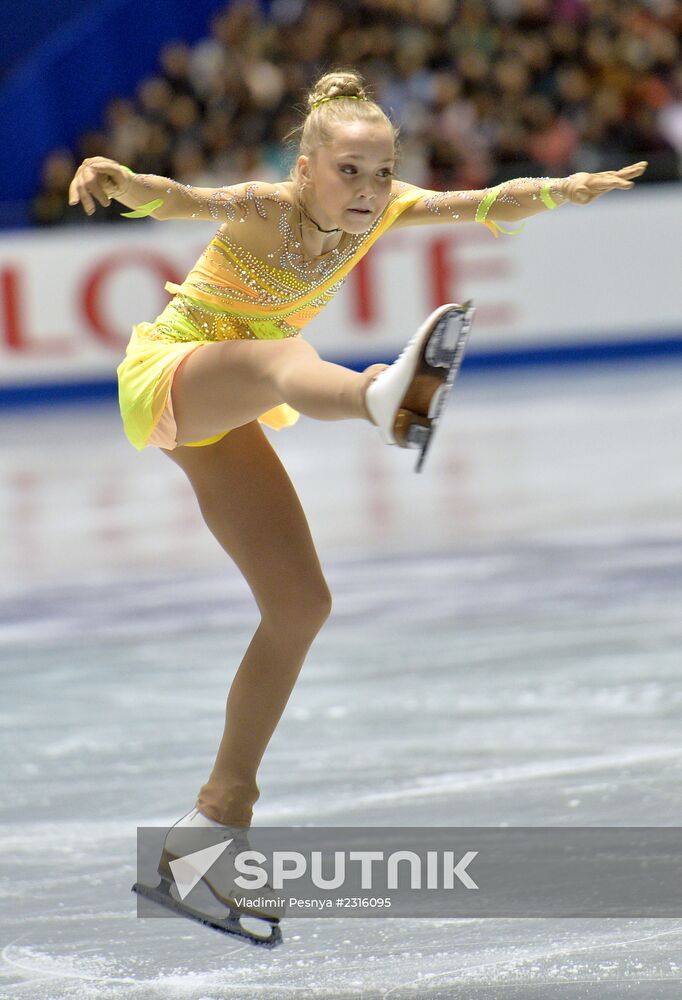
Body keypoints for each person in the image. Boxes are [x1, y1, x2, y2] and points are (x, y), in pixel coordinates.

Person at [68, 68, 646, 932]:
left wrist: (562, 189)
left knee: (300, 605)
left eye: (382, 173)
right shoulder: (265, 205)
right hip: (178, 370)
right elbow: (181, 199)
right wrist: (120, 181)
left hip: (230, 406)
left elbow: (488, 202)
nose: (371, 192)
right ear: (305, 168)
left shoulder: (392, 206)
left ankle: (206, 840)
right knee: (276, 365)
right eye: (350, 172)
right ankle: (381, 396)